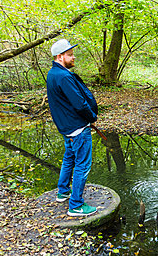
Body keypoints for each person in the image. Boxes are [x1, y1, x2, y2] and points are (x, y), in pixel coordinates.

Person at [46, 39, 98, 217]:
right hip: (77, 128)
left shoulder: (52, 73)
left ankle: (63, 192)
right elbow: (80, 104)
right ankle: (75, 205)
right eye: (70, 55)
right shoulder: (65, 77)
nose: (73, 57)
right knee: (82, 166)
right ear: (60, 57)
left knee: (69, 159)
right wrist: (92, 117)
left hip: (66, 127)